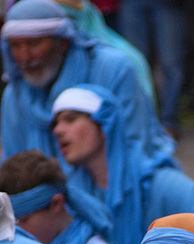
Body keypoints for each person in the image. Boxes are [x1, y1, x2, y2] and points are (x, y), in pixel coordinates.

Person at [51, 84, 194, 244]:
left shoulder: (157, 183)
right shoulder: (75, 194)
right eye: (56, 123)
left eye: (71, 119)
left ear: (105, 122)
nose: (58, 130)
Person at [0, 0, 175, 163]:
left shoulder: (115, 69)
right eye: (15, 46)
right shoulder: (13, 95)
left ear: (63, 42)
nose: (25, 57)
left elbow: (135, 149)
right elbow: (16, 170)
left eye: (34, 43)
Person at [117, 0, 187, 140]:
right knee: (135, 62)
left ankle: (169, 122)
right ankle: (142, 123)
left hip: (167, 5)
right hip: (132, 4)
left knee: (171, 64)